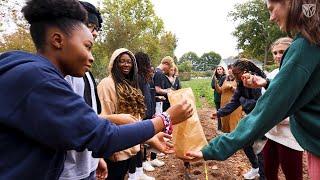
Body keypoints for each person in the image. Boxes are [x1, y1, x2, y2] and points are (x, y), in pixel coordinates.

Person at [0, 0, 193, 179]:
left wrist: (146, 136)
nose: (91, 57)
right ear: (58, 40)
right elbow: (103, 136)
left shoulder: (37, 74)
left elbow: (82, 126)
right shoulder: (38, 80)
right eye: (87, 47)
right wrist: (164, 119)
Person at [186, 0, 320, 179]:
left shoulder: (305, 46)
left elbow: (269, 106)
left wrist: (215, 148)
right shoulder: (314, 42)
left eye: (272, 9)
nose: (271, 18)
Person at [61, 2, 106, 180]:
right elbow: (75, 122)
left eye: (96, 28)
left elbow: (91, 114)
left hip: (87, 166)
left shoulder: (85, 72)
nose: (94, 33)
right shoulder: (64, 73)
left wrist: (96, 157)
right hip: (66, 171)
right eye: (89, 26)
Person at [97, 48, 153, 180]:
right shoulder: (107, 84)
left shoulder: (130, 84)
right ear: (114, 63)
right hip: (115, 150)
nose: (126, 64)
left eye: (129, 62)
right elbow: (102, 117)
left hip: (129, 146)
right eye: (121, 61)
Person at [212, 59, 266, 180]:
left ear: (246, 71)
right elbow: (234, 102)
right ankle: (255, 167)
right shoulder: (241, 83)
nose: (235, 77)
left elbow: (259, 104)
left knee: (260, 149)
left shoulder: (256, 82)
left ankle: (263, 175)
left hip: (262, 118)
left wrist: (243, 101)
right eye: (233, 74)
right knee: (246, 143)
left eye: (237, 74)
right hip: (250, 117)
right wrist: (219, 113)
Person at [261, 37, 304, 180]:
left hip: (289, 135)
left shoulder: (301, 75)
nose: (278, 56)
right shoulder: (271, 75)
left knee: (292, 175)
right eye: (275, 53)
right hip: (271, 133)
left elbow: (300, 109)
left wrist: (272, 116)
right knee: (268, 171)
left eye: (282, 52)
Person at [135, 52, 158, 178]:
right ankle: (142, 164)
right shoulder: (138, 77)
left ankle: (147, 160)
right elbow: (140, 98)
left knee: (147, 139)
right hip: (141, 114)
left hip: (148, 112)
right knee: (140, 141)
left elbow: (149, 96)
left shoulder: (145, 77)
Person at [213, 64, 242, 133]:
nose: (229, 70)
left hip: (235, 105)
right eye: (228, 68)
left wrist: (231, 87)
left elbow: (241, 92)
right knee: (225, 122)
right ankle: (226, 137)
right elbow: (220, 90)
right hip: (224, 104)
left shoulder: (239, 79)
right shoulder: (224, 78)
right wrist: (216, 84)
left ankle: (234, 138)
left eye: (231, 68)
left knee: (234, 122)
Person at [211, 66, 226, 131]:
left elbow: (221, 86)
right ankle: (219, 127)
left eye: (220, 69)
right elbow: (212, 86)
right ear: (216, 70)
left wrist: (217, 84)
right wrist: (216, 84)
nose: (219, 70)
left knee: (224, 112)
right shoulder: (214, 77)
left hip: (224, 97)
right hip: (217, 97)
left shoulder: (225, 77)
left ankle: (224, 127)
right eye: (218, 69)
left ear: (223, 70)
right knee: (218, 113)